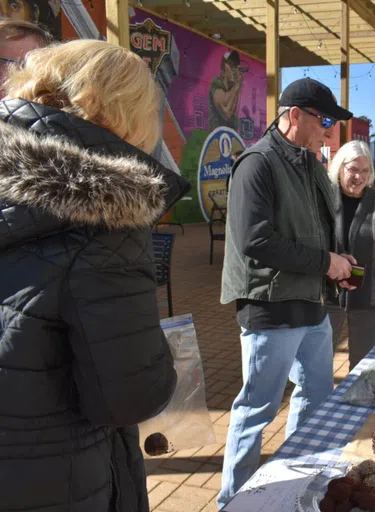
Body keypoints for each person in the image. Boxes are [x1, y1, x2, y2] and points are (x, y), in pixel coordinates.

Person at [0, 39, 188, 511]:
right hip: (58, 479)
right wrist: (164, 357)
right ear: (128, 116)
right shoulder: (108, 221)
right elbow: (131, 396)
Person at [218, 77, 355, 508]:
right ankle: (233, 501)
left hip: (311, 304)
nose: (330, 130)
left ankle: (295, 484)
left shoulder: (309, 164)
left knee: (315, 398)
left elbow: (316, 233)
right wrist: (324, 264)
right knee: (257, 411)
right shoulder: (256, 164)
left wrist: (337, 265)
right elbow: (255, 241)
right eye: (325, 120)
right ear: (294, 115)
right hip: (270, 309)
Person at [327, 141, 375, 370]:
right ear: (339, 168)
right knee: (317, 364)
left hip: (370, 294)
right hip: (327, 295)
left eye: (365, 171)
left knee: (363, 366)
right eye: (352, 169)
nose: (358, 177)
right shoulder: (324, 198)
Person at [209, 50, 244, 130]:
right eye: (231, 65)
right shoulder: (217, 83)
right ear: (223, 71)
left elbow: (230, 112)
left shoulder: (232, 88)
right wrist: (236, 86)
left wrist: (237, 85)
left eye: (235, 66)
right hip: (217, 138)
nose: (234, 69)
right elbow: (226, 113)